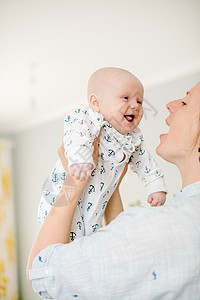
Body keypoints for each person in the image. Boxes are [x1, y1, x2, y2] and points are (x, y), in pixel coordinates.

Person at [27, 82, 200, 299]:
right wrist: (111, 183)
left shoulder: (167, 224)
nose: (170, 104)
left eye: (185, 102)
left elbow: (42, 270)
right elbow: (127, 271)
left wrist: (74, 180)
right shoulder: (186, 216)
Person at [38, 67, 166, 241]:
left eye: (140, 101)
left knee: (88, 242)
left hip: (95, 206)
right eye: (126, 98)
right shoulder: (86, 119)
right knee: (58, 241)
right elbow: (75, 137)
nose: (135, 105)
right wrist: (80, 160)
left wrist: (156, 186)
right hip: (65, 194)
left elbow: (145, 162)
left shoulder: (133, 137)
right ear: (96, 103)